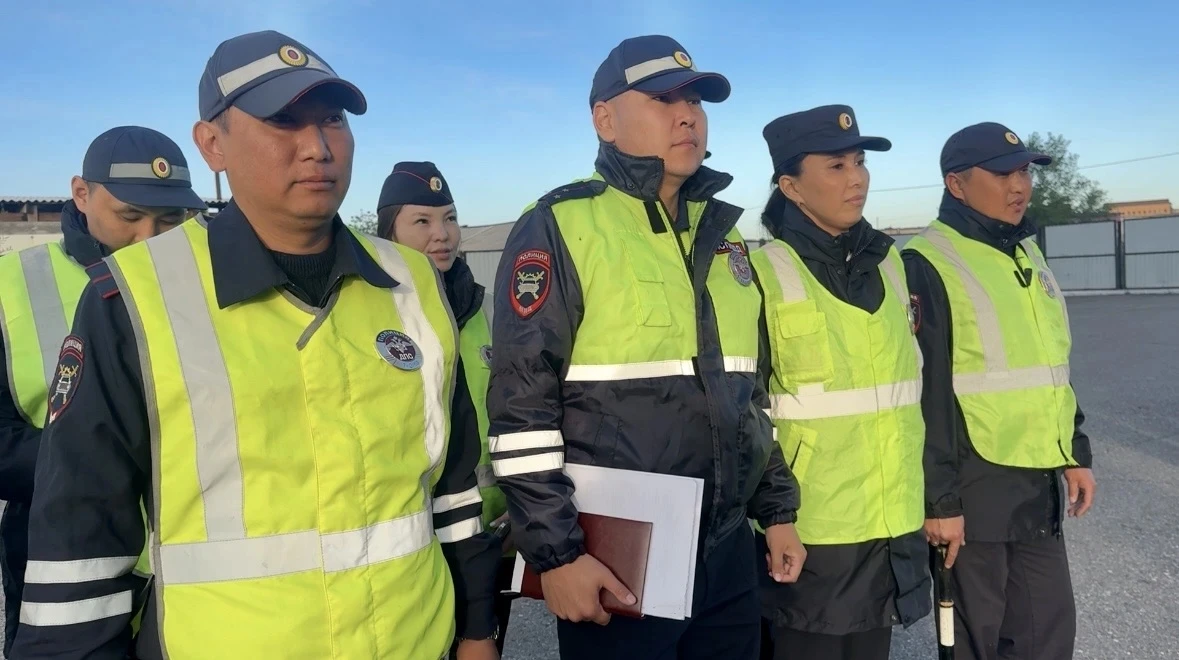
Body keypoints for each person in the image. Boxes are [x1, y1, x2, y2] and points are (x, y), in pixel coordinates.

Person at [10, 30, 501, 660]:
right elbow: (80, 533)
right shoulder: (131, 297)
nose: (317, 146)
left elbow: (452, 485)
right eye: (283, 121)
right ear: (211, 144)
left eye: (332, 119)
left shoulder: (413, 284)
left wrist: (477, 629)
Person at [486, 34, 805, 660]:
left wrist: (777, 511)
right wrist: (558, 555)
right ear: (604, 119)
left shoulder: (725, 236)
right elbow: (521, 410)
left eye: (696, 101)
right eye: (662, 99)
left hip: (727, 552)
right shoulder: (560, 225)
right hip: (619, 556)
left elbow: (745, 397)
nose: (687, 116)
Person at [0, 125, 205, 656]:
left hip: (188, 562)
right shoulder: (12, 284)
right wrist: (93, 462)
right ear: (81, 194)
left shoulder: (211, 281)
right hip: (60, 559)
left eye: (170, 220)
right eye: (130, 216)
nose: (149, 239)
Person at [902, 122, 1097, 660]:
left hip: (1035, 487)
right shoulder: (928, 262)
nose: (1019, 186)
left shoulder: (1026, 252)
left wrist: (1074, 451)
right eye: (1002, 174)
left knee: (1047, 636)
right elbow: (926, 396)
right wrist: (939, 501)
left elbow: (1050, 364)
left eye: (1025, 172)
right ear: (956, 184)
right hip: (974, 492)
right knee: (975, 642)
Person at [748, 105, 931, 660]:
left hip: (890, 522)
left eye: (859, 162)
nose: (857, 179)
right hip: (811, 532)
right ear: (791, 187)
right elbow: (745, 411)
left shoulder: (891, 265)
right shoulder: (763, 274)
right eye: (836, 166)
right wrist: (776, 517)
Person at [375, 161, 515, 655]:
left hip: (491, 535)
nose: (443, 234)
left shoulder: (490, 309)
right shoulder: (370, 310)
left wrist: (523, 508)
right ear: (388, 231)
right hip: (409, 543)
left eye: (450, 218)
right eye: (422, 221)